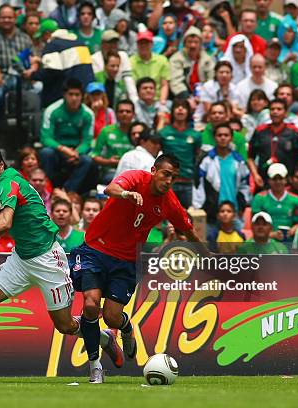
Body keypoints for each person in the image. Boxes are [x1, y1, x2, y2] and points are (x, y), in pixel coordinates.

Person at [0, 145, 121, 379]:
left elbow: (5, 223)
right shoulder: (6, 183)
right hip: (22, 259)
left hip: (48, 261)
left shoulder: (8, 182)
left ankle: (105, 337)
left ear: (1, 166)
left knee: (65, 326)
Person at [69, 153, 205, 383]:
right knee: (91, 304)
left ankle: (124, 328)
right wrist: (126, 194)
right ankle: (95, 366)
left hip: (127, 262)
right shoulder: (135, 179)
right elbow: (110, 189)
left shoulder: (169, 201)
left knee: (112, 317)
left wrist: (208, 256)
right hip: (95, 250)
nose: (169, 180)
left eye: (174, 177)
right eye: (166, 174)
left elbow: (188, 229)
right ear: (154, 171)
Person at [39, 78, 94, 193]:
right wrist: (63, 149)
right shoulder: (52, 110)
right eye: (71, 94)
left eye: (77, 95)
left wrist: (76, 153)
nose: (74, 98)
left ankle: (68, 192)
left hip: (76, 152)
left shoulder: (88, 114)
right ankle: (50, 189)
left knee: (87, 160)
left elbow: (87, 141)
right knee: (46, 153)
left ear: (82, 96)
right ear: (64, 95)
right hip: (57, 150)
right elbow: (45, 138)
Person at [193, 123, 250, 229]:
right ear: (214, 138)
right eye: (219, 135)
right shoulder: (206, 160)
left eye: (226, 135)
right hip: (211, 214)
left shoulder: (239, 161)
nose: (223, 138)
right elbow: (198, 186)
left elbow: (245, 185)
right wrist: (198, 207)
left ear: (231, 138)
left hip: (234, 214)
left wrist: (242, 206)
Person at [248, 99, 298, 187]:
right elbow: (250, 157)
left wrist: (294, 178)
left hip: (287, 182)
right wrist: (255, 175)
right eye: (272, 109)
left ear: (286, 113)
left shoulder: (295, 133)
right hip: (263, 181)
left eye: (279, 109)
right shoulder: (260, 131)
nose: (275, 112)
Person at [159, 98, 201, 208]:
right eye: (177, 107)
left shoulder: (196, 135)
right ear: (172, 111)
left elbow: (197, 156)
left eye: (184, 107)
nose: (180, 109)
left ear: (188, 112)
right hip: (168, 182)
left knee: (185, 217)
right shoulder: (164, 133)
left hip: (187, 182)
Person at [251, 163, 298, 241]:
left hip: (288, 241)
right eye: (274, 179)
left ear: (286, 180)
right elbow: (254, 224)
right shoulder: (260, 198)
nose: (278, 182)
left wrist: (294, 229)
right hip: (266, 241)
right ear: (269, 180)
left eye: (281, 179)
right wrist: (271, 234)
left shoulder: (295, 199)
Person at [168, 25, 215, 99]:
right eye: (189, 42)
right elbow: (176, 83)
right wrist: (188, 98)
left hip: (204, 95)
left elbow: (211, 80)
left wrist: (204, 96)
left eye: (196, 42)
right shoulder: (176, 59)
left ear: (200, 44)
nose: (192, 45)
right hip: (183, 97)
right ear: (184, 44)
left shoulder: (207, 59)